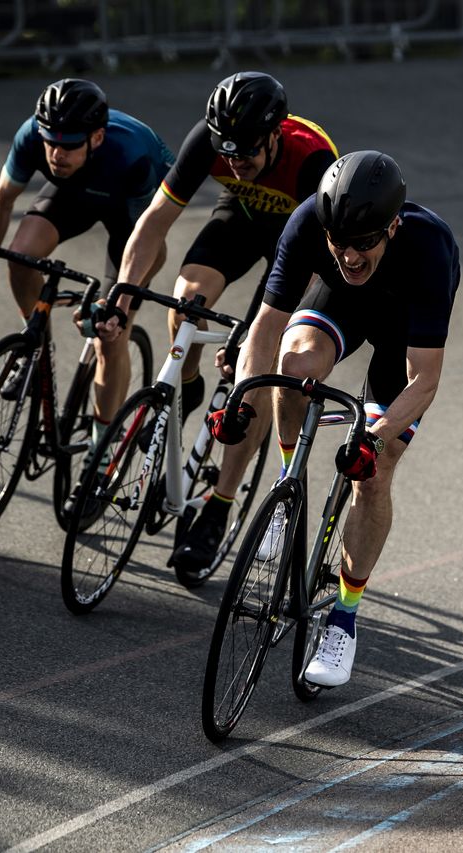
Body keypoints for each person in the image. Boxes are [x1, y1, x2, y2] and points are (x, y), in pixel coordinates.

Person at [209, 150, 461, 687]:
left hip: (402, 329)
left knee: (376, 471)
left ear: (392, 226)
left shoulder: (428, 250)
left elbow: (425, 380)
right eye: (338, 241)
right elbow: (264, 328)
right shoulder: (308, 223)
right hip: (341, 307)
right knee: (292, 364)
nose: (348, 253)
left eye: (364, 242)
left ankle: (344, 619)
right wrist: (240, 400)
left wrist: (375, 436)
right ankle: (285, 488)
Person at [94, 71, 338, 576]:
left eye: (246, 153)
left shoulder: (314, 158)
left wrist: (256, 333)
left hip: (298, 247)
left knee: (258, 369)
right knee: (185, 301)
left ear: (275, 134)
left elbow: (316, 265)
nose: (234, 163)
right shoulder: (208, 141)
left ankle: (219, 506)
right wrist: (121, 294)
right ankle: (186, 383)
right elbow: (155, 220)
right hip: (241, 219)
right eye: (226, 153)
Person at [0, 78, 174, 447]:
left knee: (110, 336)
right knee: (20, 256)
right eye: (50, 143)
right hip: (71, 194)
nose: (56, 154)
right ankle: (35, 344)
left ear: (96, 138)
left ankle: (103, 442)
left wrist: (116, 307)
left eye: (69, 146)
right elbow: (2, 198)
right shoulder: (33, 134)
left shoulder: (133, 154)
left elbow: (149, 241)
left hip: (129, 216)